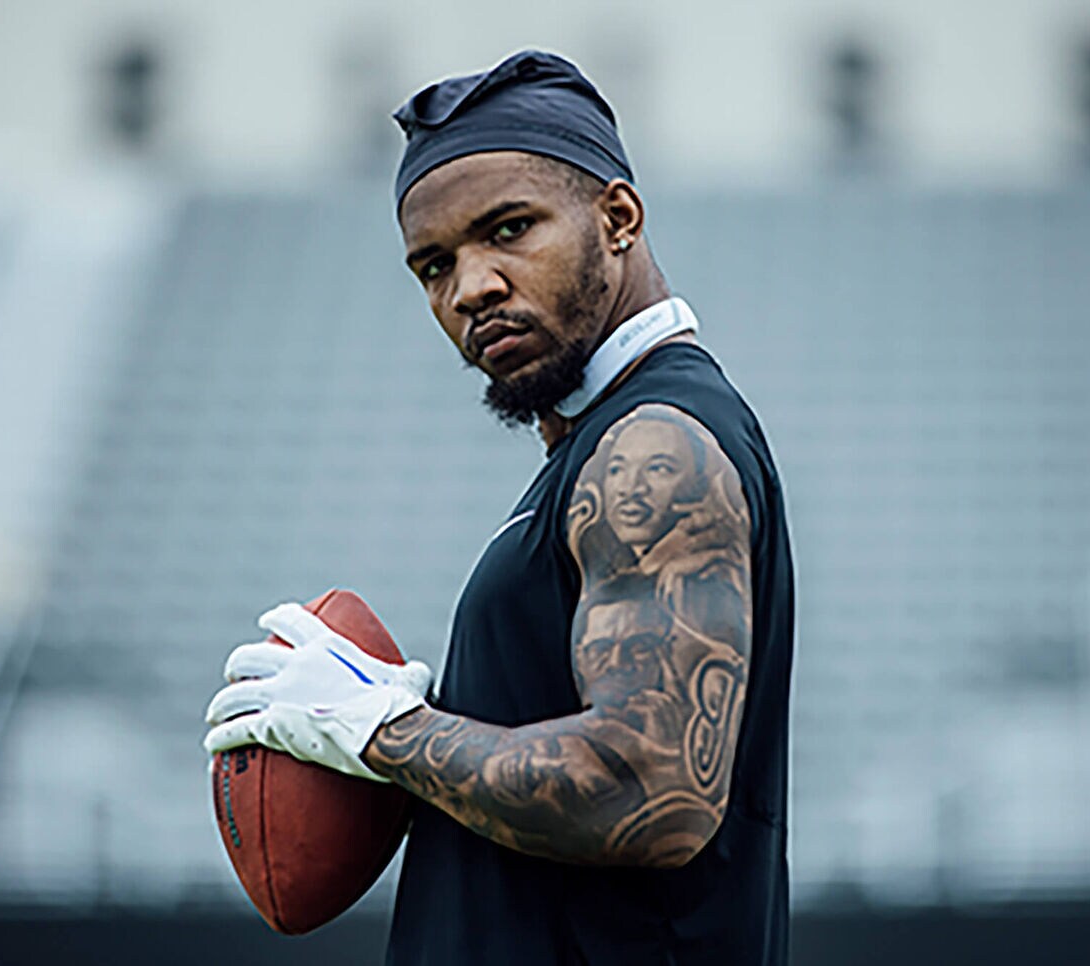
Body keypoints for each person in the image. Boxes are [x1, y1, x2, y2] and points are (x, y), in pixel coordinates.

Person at [203, 49, 795, 965]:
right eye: (434, 266)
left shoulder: (654, 447)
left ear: (618, 218)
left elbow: (649, 787)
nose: (470, 287)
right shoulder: (599, 444)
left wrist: (386, 733)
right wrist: (432, 722)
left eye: (509, 229)